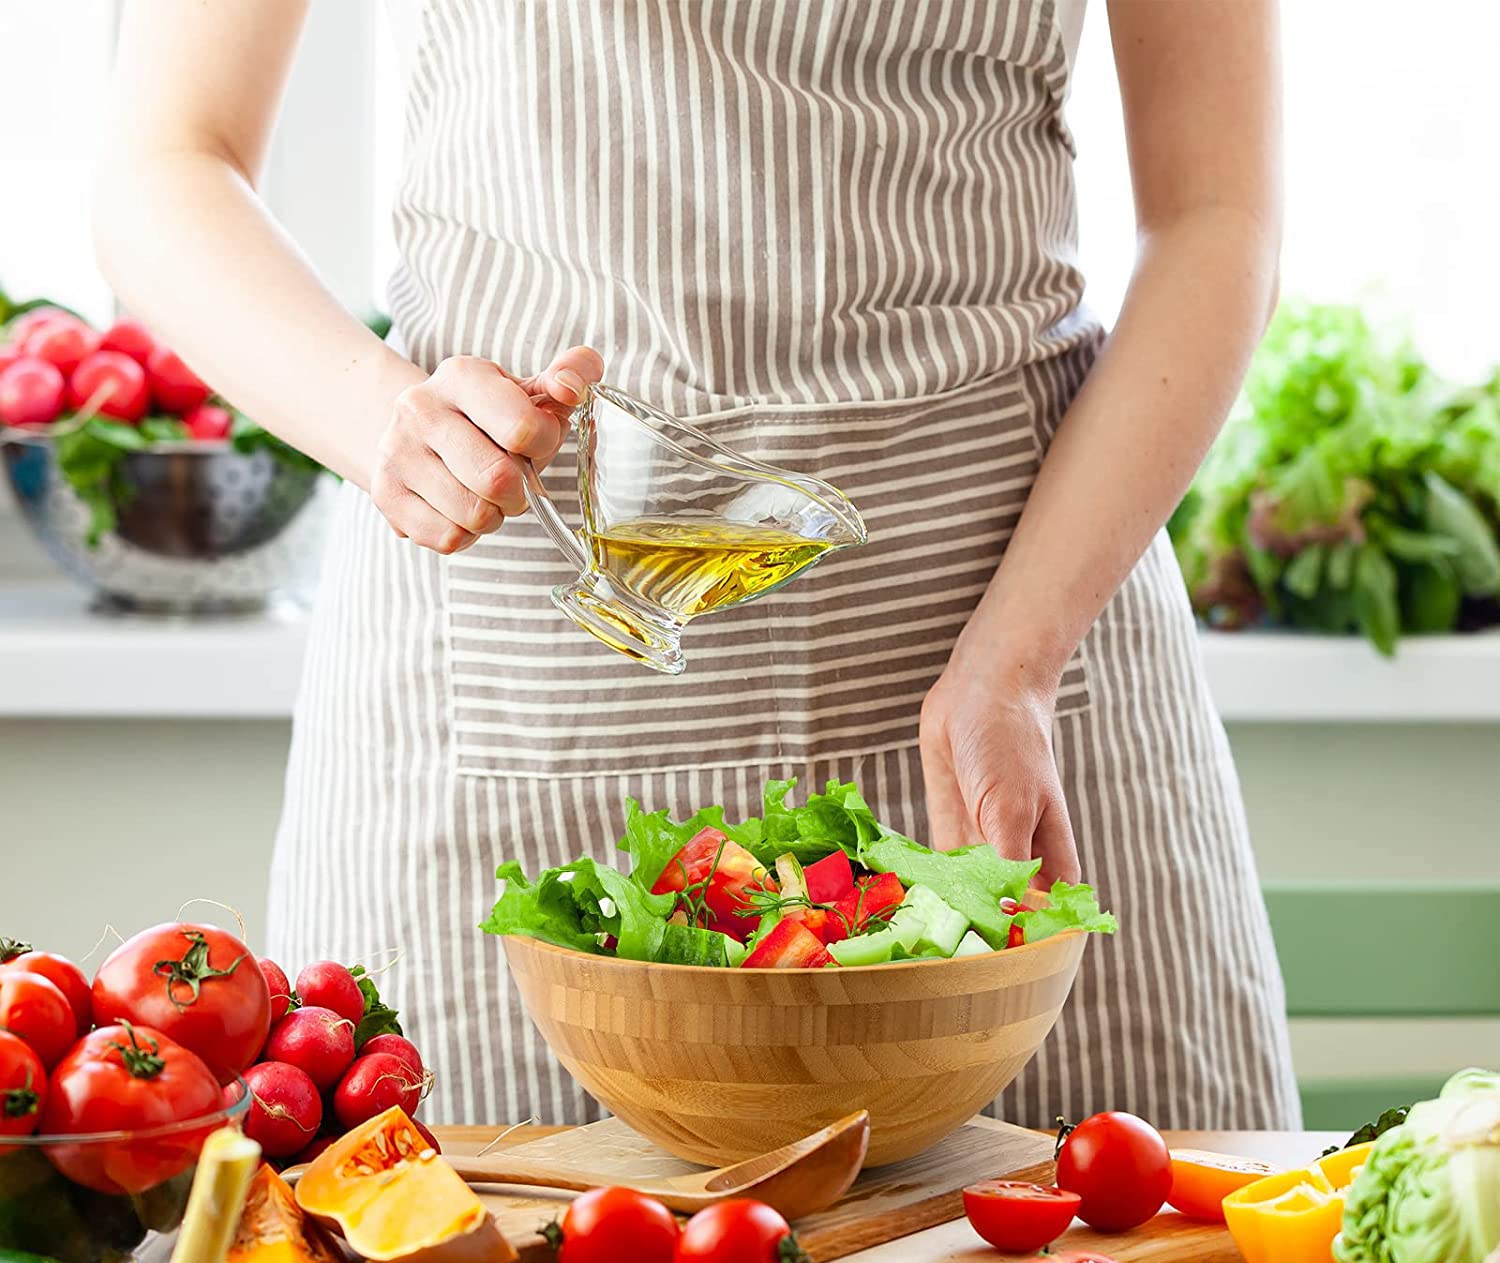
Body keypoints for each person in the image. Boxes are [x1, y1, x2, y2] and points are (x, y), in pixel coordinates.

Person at [96, 0, 1299, 1131]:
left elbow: (1214, 210)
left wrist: (1020, 657)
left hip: (1016, 621)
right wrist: (379, 419)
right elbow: (166, 164)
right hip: (531, 630)